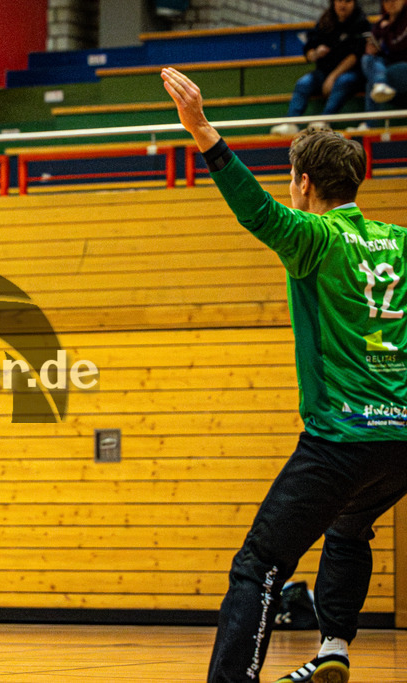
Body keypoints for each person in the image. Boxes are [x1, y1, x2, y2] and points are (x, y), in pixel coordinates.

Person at [162, 66, 406, 683]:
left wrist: (202, 130)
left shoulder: (313, 237)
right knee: (349, 524)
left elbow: (253, 208)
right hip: (402, 440)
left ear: (302, 183)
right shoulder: (398, 243)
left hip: (341, 439)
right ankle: (333, 650)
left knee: (260, 564)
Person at [269, 0, 370, 136]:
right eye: (339, 1)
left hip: (350, 74)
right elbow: (309, 50)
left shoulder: (361, 23)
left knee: (343, 81)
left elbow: (355, 56)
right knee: (303, 83)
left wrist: (333, 77)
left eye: (347, 1)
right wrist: (316, 53)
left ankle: (323, 121)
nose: (343, 5)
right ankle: (291, 123)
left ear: (354, 3)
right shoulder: (325, 21)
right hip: (322, 72)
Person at [357, 0, 407, 126]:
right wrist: (373, 50)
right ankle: (380, 84)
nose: (391, 3)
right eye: (386, 0)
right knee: (367, 59)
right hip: (387, 67)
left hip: (403, 68)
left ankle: (370, 125)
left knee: (373, 82)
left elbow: (398, 44)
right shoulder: (380, 23)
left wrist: (386, 31)